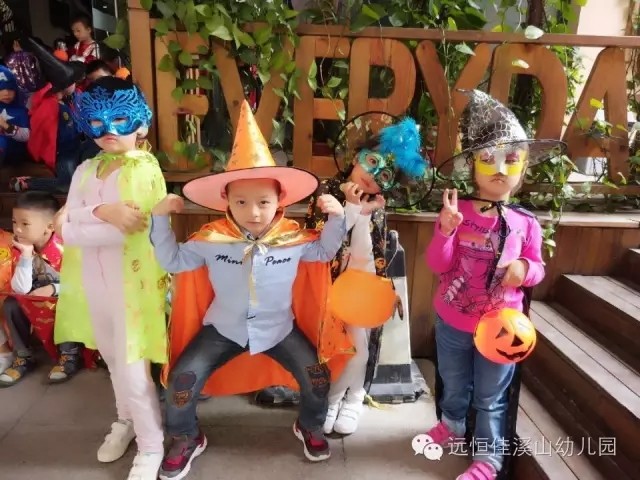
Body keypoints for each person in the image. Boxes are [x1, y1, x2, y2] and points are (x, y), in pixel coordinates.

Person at [152, 100, 354, 480]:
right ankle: (185, 437)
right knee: (180, 382)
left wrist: (337, 217)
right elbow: (173, 261)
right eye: (241, 202)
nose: (254, 212)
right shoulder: (210, 240)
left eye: (264, 202)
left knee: (317, 378)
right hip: (222, 330)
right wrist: (160, 219)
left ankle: (310, 425)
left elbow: (325, 252)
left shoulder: (294, 240)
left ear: (280, 202)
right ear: (226, 202)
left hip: (279, 330)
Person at [258, 112, 431, 436]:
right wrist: (351, 210)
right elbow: (321, 245)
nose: (373, 175)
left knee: (360, 350)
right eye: (372, 162)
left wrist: (386, 287)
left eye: (385, 174)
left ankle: (350, 398)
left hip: (362, 292)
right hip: (328, 289)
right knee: (332, 350)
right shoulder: (326, 192)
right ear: (356, 157)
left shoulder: (377, 206)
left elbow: (375, 254)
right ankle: (334, 399)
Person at [423, 89, 564, 480]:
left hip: (501, 328)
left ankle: (489, 457)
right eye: (488, 159)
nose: (500, 169)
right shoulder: (457, 212)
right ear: (473, 168)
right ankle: (452, 426)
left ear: (522, 169)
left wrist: (524, 269)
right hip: (453, 319)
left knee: (490, 396)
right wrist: (445, 231)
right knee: (453, 382)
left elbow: (538, 268)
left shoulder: (526, 223)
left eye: (511, 159)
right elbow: (437, 264)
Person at [53, 76, 169, 480]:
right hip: (94, 286)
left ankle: (151, 443)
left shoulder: (145, 168)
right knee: (114, 362)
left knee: (134, 371)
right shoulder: (86, 169)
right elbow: (63, 227)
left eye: (120, 118)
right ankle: (126, 421)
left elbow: (131, 230)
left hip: (132, 288)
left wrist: (76, 222)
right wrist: (101, 212)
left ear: (141, 122)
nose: (109, 130)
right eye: (97, 121)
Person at [0, 191, 85, 386]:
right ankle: (23, 356)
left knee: (68, 302)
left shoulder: (69, 247)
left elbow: (84, 283)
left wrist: (54, 289)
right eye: (14, 222)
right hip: (35, 302)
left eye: (25, 224)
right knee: (12, 304)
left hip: (65, 299)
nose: (17, 229)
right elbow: (21, 289)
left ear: (50, 226)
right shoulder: (18, 249)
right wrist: (26, 256)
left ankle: (69, 355)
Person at [9, 36, 90, 193]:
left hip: (76, 147)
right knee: (66, 184)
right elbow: (42, 137)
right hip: (63, 154)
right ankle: (29, 183)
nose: (76, 85)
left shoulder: (68, 101)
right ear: (64, 85)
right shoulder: (50, 106)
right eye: (73, 82)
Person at [0, 64, 29, 166]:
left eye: (11, 89)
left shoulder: (21, 110)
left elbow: (26, 136)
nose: (7, 93)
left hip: (16, 159)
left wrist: (5, 125)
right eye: (1, 89)